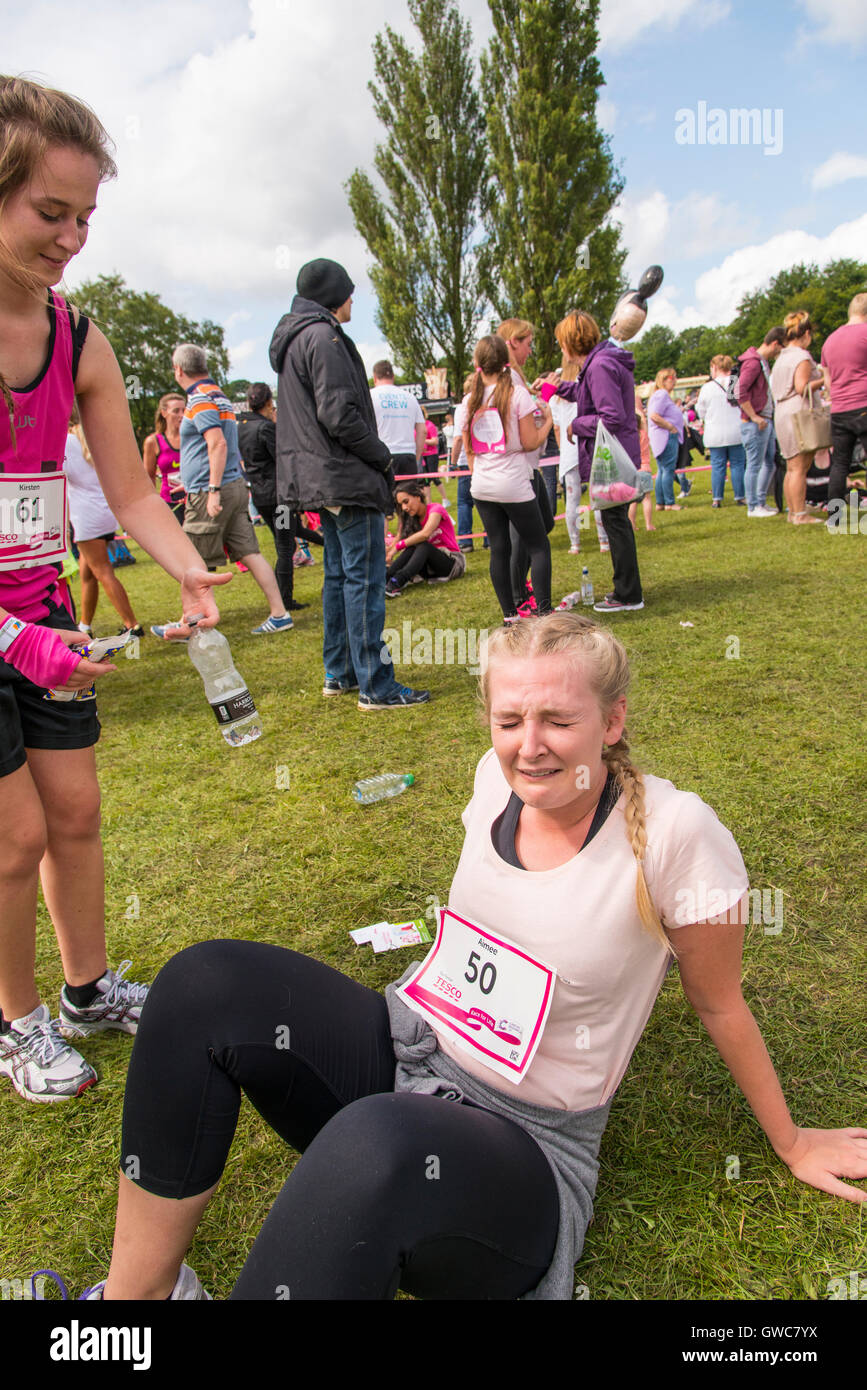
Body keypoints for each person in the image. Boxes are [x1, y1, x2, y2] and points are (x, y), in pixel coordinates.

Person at [80, 612, 867, 1302]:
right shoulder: (493, 786)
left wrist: (791, 1140)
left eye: (557, 720)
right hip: (409, 1047)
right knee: (204, 981)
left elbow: (717, 1002)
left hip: (521, 1147)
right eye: (508, 719)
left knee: (377, 1140)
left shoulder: (675, 832)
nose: (528, 748)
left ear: (612, 719)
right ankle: (139, 1296)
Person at [0, 75, 229, 1102]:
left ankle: (88, 989)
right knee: (13, 836)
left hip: (43, 607)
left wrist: (187, 566)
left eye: (85, 216)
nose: (72, 238)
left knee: (76, 812)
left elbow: (131, 491)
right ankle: (16, 1020)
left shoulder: (79, 338)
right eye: (51, 213)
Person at [269, 258, 428, 709]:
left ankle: (340, 673)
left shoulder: (299, 338)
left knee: (340, 577)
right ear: (334, 294)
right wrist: (381, 456)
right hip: (344, 475)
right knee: (364, 580)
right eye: (350, 291)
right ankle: (376, 684)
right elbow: (338, 414)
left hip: (323, 478)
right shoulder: (325, 337)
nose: (354, 299)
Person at [151, 346, 295, 639]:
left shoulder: (200, 399)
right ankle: (279, 614)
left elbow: (217, 444)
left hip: (213, 491)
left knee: (192, 559)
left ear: (178, 369)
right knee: (251, 553)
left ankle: (190, 624)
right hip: (230, 486)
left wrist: (211, 489)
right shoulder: (219, 396)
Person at [538, 311, 645, 613]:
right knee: (616, 521)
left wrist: (576, 426)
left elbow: (610, 417)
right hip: (617, 453)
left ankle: (627, 594)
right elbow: (586, 394)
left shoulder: (599, 365)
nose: (561, 350)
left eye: (562, 343)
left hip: (613, 457)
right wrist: (557, 387)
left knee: (616, 522)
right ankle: (626, 589)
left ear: (571, 343)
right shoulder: (600, 362)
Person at [463, 335, 553, 622]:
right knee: (538, 545)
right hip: (512, 481)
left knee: (498, 549)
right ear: (506, 362)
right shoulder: (517, 395)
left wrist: (482, 471)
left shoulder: (469, 399)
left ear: (477, 363)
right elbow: (529, 442)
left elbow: (468, 449)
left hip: (483, 484)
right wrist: (548, 423)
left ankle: (509, 616)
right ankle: (544, 611)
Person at [236, 382, 316, 612]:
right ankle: (285, 598)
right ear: (269, 403)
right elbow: (281, 460)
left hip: (261, 497)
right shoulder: (265, 428)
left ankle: (329, 544)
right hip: (277, 498)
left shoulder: (241, 426)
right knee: (285, 545)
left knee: (290, 533)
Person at [64, 414, 142, 638]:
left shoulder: (68, 441)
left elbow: (60, 471)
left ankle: (132, 625)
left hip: (86, 515)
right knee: (87, 573)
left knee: (103, 572)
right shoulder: (93, 436)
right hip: (104, 510)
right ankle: (84, 625)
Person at [770, 311, 825, 525]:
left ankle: (794, 511)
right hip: (798, 413)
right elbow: (802, 388)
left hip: (783, 412)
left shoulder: (782, 357)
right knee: (799, 468)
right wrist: (824, 380)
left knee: (791, 467)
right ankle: (800, 513)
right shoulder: (801, 357)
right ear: (807, 333)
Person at [821, 292, 867, 517]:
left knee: (839, 464)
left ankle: (835, 517)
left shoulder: (830, 339)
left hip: (839, 409)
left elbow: (828, 381)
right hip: (863, 404)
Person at [385, 481, 466, 596]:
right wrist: (388, 553)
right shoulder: (411, 519)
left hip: (452, 564)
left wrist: (398, 547)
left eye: (406, 502)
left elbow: (425, 534)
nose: (404, 508)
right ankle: (387, 577)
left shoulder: (436, 509)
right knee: (413, 547)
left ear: (418, 497)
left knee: (423, 544)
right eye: (401, 505)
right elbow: (398, 538)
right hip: (428, 568)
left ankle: (398, 580)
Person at [738, 326, 785, 517]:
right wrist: (754, 416)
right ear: (775, 343)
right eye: (781, 348)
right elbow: (740, 391)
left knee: (769, 463)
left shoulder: (760, 362)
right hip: (755, 422)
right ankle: (753, 506)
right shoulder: (754, 363)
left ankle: (760, 502)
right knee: (755, 464)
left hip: (763, 420)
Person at [696, 355, 747, 507]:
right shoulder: (735, 383)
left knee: (718, 466)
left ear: (715, 368)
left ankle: (717, 498)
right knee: (738, 465)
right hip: (736, 431)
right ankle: (740, 496)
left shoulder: (708, 387)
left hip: (715, 433)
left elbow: (701, 411)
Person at [370, 360, 425, 481]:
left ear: (374, 378)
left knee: (385, 498)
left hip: (382, 454)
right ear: (393, 377)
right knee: (409, 497)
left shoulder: (370, 396)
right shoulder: (410, 397)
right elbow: (422, 431)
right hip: (408, 455)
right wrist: (416, 456)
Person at [142, 394, 185, 523]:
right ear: (164, 413)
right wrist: (152, 506)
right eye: (176, 411)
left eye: (184, 410)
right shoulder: (153, 441)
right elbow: (149, 477)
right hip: (169, 502)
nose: (182, 415)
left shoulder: (193, 438)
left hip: (193, 501)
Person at [647, 368, 685, 512]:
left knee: (662, 471)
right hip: (666, 437)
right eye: (672, 378)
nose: (675, 381)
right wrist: (670, 427)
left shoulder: (659, 395)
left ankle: (661, 503)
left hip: (661, 437)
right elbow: (654, 416)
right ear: (663, 379)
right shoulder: (662, 394)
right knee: (667, 470)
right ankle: (669, 502)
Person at [628, 390, 655, 534]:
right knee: (646, 499)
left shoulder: (629, 438)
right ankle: (649, 524)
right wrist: (637, 407)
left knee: (632, 501)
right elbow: (643, 420)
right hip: (645, 469)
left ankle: (632, 525)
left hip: (633, 471)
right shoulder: (644, 434)